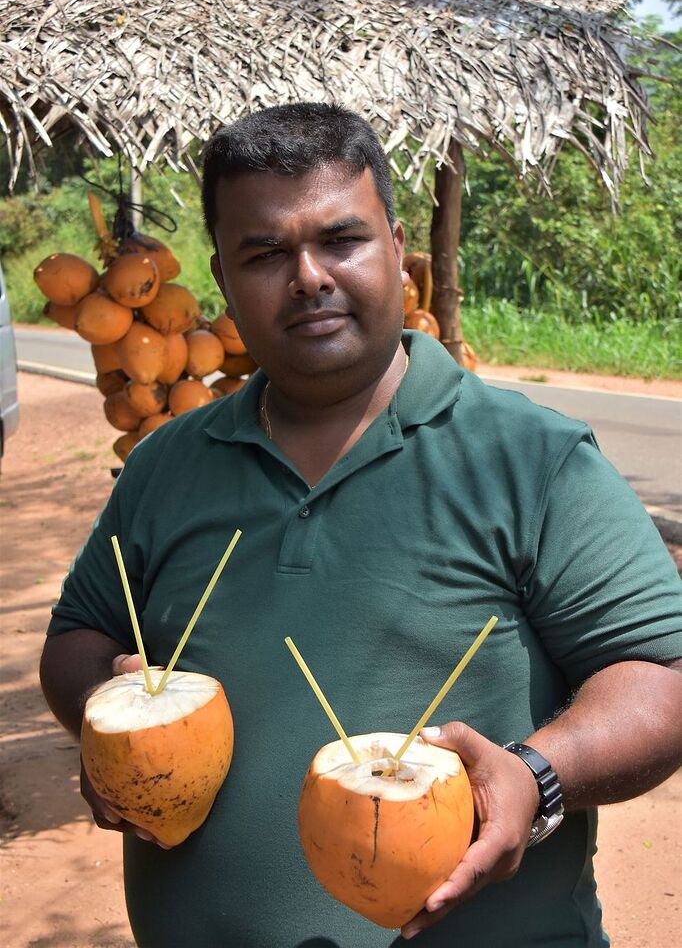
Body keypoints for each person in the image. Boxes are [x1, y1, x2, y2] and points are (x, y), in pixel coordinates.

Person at [40, 102, 682, 948]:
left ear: (396, 246)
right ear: (224, 281)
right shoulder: (167, 465)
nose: (308, 276)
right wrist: (107, 715)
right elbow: (82, 630)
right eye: (265, 253)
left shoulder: (531, 459)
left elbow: (659, 675)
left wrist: (535, 776)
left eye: (340, 240)